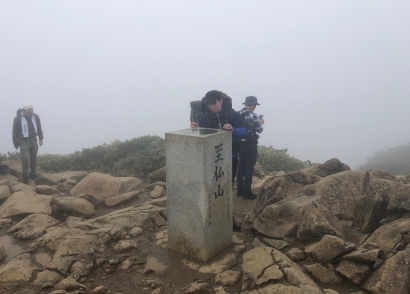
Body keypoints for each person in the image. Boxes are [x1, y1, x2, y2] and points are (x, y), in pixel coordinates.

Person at [190, 90, 248, 183]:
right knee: (213, 184)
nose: (212, 107)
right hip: (211, 157)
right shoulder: (204, 117)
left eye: (214, 103)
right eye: (209, 104)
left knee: (228, 183)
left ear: (220, 101)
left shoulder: (232, 114)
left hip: (230, 155)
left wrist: (233, 129)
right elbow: (200, 135)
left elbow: (244, 131)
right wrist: (195, 129)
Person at [236, 96, 264, 200]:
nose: (255, 107)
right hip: (250, 143)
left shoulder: (238, 114)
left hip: (240, 143)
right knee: (249, 168)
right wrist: (261, 123)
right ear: (252, 105)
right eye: (255, 105)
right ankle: (247, 192)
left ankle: (239, 190)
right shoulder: (253, 115)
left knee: (241, 166)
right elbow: (259, 130)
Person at [12, 104, 44, 183]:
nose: (29, 114)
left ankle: (33, 174)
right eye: (28, 112)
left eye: (31, 112)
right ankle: (25, 176)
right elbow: (14, 131)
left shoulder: (35, 117)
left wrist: (41, 138)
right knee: (25, 158)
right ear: (24, 111)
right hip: (23, 140)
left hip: (33, 139)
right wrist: (15, 143)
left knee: (33, 157)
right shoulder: (18, 118)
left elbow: (39, 127)